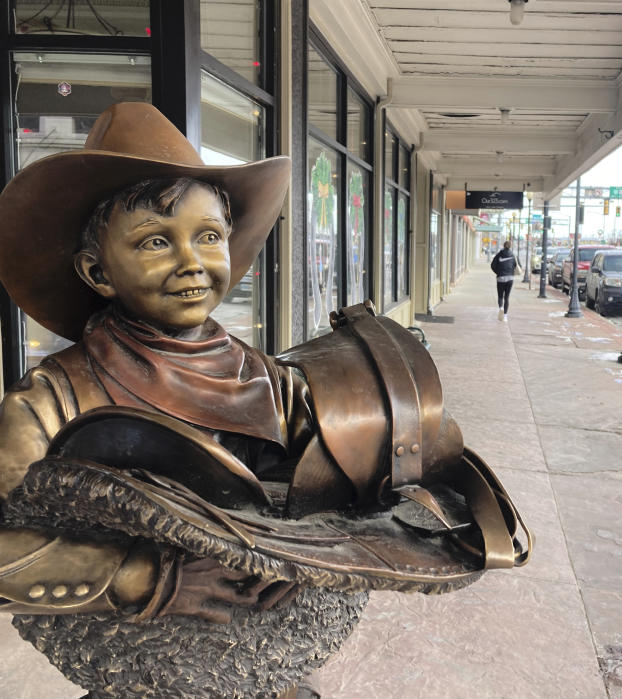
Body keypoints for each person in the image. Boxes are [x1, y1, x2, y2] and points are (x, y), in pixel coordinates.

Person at [0, 104, 529, 627]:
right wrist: (147, 577)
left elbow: (379, 479)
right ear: (98, 272)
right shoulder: (51, 398)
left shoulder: (274, 382)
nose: (192, 262)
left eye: (209, 236)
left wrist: (306, 551)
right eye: (156, 242)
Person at [490, 239, 522, 321]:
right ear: (510, 246)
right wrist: (511, 271)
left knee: (500, 296)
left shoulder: (499, 255)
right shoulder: (513, 255)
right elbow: (519, 266)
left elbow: (492, 265)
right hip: (510, 278)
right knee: (507, 297)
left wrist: (498, 272)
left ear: (504, 246)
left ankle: (501, 307)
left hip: (500, 278)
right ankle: (505, 316)